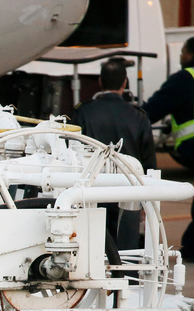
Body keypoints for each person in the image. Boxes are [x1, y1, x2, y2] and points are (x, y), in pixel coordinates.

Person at [72, 57, 157, 251]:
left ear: (100, 82)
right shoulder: (139, 115)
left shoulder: (84, 112)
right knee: (126, 250)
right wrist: (147, 200)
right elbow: (149, 162)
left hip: (92, 193)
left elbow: (73, 152)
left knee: (91, 249)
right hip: (128, 193)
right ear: (124, 83)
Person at [143, 36, 194, 259]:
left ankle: (192, 249)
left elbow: (152, 110)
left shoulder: (184, 79)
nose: (181, 56)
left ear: (190, 55)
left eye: (183, 52)